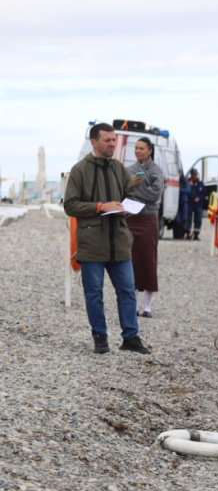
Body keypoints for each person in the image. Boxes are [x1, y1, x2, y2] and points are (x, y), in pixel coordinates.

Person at [63, 123, 151, 354]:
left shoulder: (119, 169)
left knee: (127, 290)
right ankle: (100, 337)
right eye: (108, 140)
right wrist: (101, 207)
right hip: (92, 243)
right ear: (94, 142)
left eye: (114, 140)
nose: (113, 144)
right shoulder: (79, 170)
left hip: (119, 241)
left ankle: (130, 338)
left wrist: (125, 208)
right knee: (94, 293)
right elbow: (70, 205)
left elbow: (129, 196)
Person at [127, 137, 165, 317]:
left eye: (142, 148)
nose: (138, 151)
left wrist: (134, 188)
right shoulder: (129, 170)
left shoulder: (156, 170)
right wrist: (132, 186)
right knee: (132, 259)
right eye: (136, 148)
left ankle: (147, 306)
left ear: (150, 151)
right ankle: (133, 304)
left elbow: (156, 195)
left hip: (148, 218)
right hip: (131, 218)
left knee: (149, 259)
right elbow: (122, 191)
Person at [185, 168, 206, 240]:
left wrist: (199, 198)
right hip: (190, 202)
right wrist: (193, 198)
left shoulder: (200, 183)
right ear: (191, 175)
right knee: (188, 218)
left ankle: (196, 235)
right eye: (194, 174)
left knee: (198, 219)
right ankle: (188, 233)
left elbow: (204, 193)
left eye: (196, 174)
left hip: (198, 204)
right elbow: (187, 192)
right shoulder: (187, 182)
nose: (195, 176)